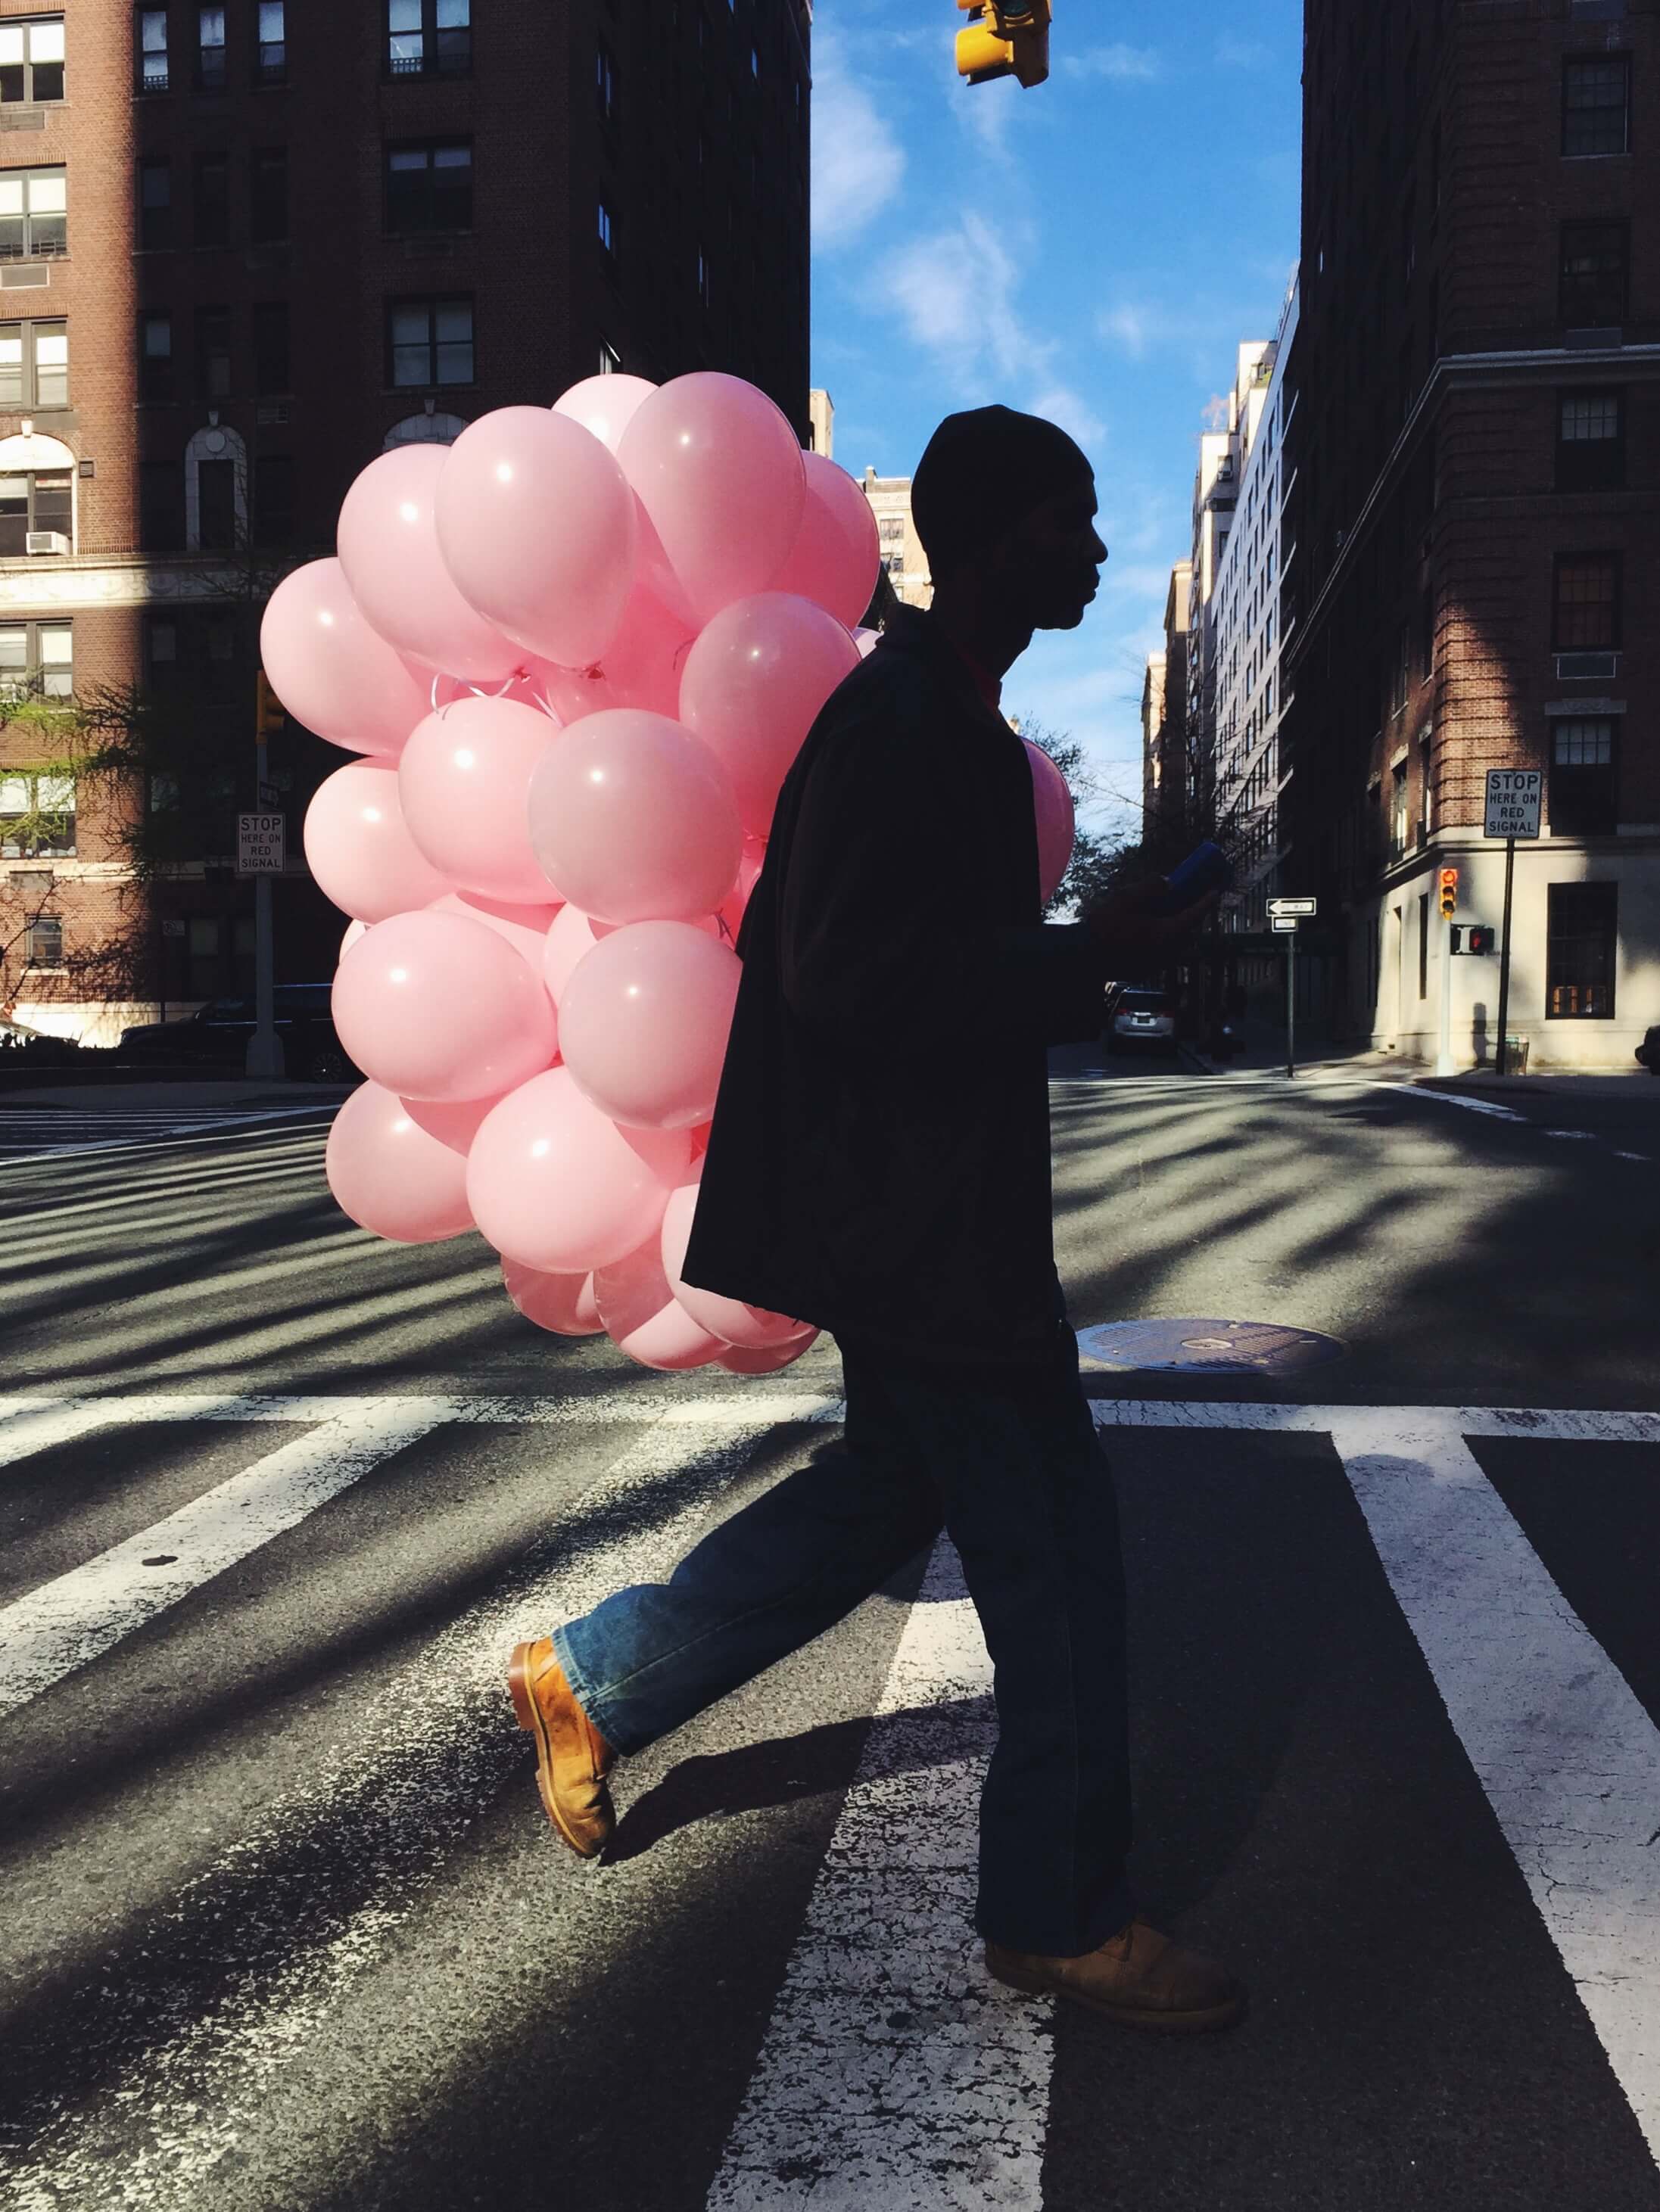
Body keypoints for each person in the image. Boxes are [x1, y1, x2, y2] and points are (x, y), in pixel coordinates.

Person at [509, 405, 1245, 2035]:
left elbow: (891, 968)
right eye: (1073, 522)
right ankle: (1061, 1915)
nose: (1100, 553)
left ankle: (596, 1676)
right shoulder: (902, 720)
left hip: (918, 1219)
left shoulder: (942, 724)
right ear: (991, 539)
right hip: (925, 1237)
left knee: (877, 1499)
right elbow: (849, 981)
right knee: (1056, 1555)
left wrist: (1088, 947)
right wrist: (1092, 951)